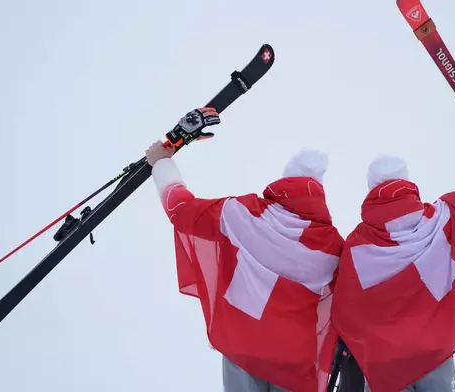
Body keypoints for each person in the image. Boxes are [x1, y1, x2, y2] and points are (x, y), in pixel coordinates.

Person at [145, 107, 345, 392]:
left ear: (283, 182)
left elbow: (181, 210)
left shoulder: (242, 213)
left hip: (241, 346)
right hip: (294, 362)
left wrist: (162, 163)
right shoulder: (333, 246)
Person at [330, 107, 455, 392]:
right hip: (435, 356)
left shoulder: (358, 245)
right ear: (407, 182)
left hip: (385, 366)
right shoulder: (442, 218)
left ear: (371, 188)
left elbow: (343, 311)